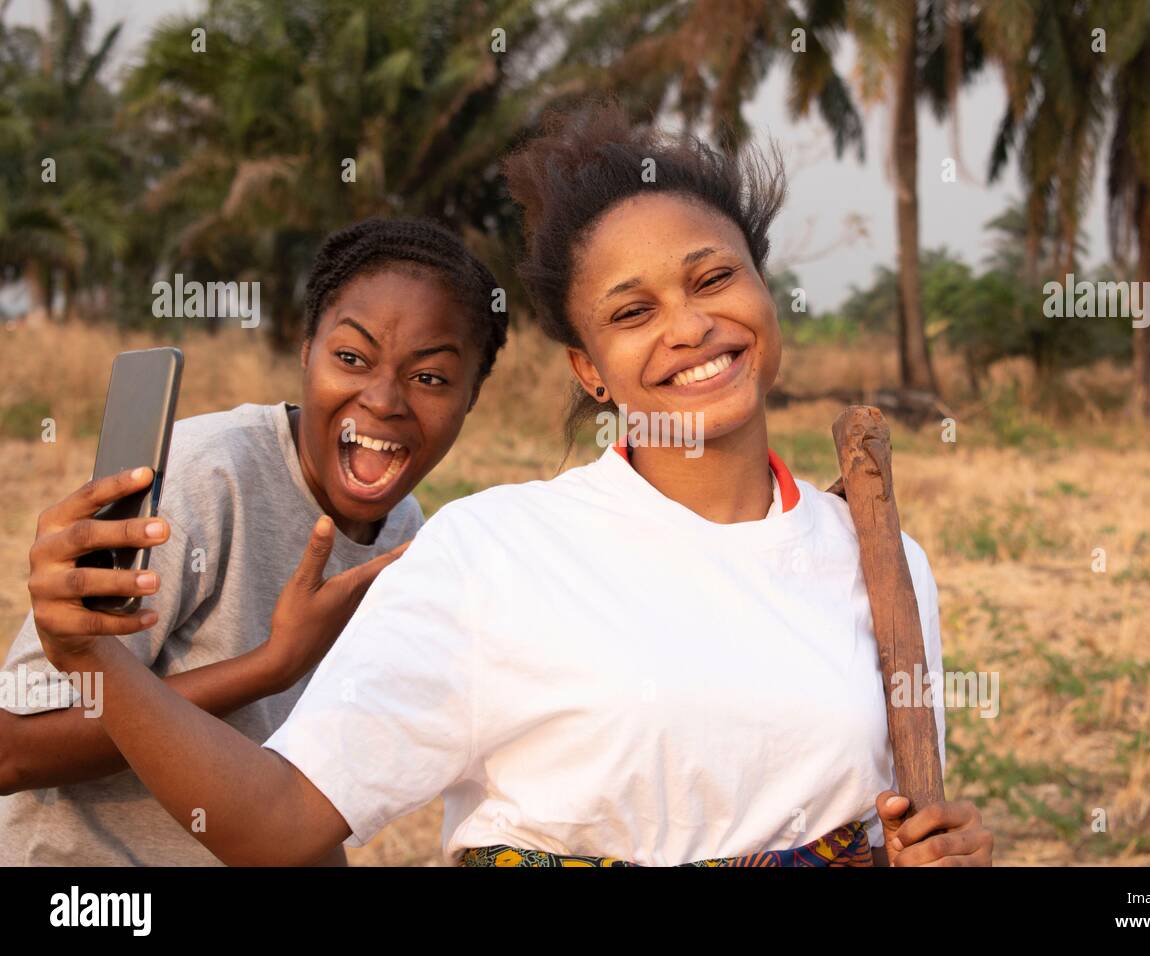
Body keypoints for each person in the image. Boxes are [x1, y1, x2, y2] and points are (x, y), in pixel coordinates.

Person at [32, 104, 992, 867]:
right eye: (633, 310)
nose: (691, 326)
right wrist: (95, 663)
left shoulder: (883, 563)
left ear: (762, 290)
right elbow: (280, 823)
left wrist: (939, 851)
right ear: (588, 368)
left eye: (713, 280)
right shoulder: (492, 553)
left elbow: (898, 818)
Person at [0, 217, 507, 865]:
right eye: (351, 358)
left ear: (471, 400)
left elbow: (303, 785)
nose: (383, 400)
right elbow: (13, 751)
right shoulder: (201, 476)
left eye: (430, 378)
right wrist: (270, 667)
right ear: (305, 352)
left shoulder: (407, 534)